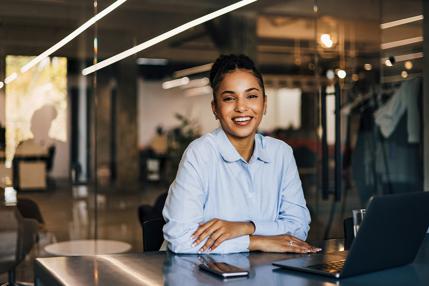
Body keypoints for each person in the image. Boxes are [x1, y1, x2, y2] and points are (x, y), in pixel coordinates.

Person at [162, 54, 320, 254]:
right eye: (229, 98)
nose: (241, 107)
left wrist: (245, 227)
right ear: (215, 108)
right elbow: (180, 238)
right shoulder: (200, 154)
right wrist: (255, 242)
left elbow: (298, 228)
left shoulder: (281, 153)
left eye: (252, 96)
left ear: (265, 104)